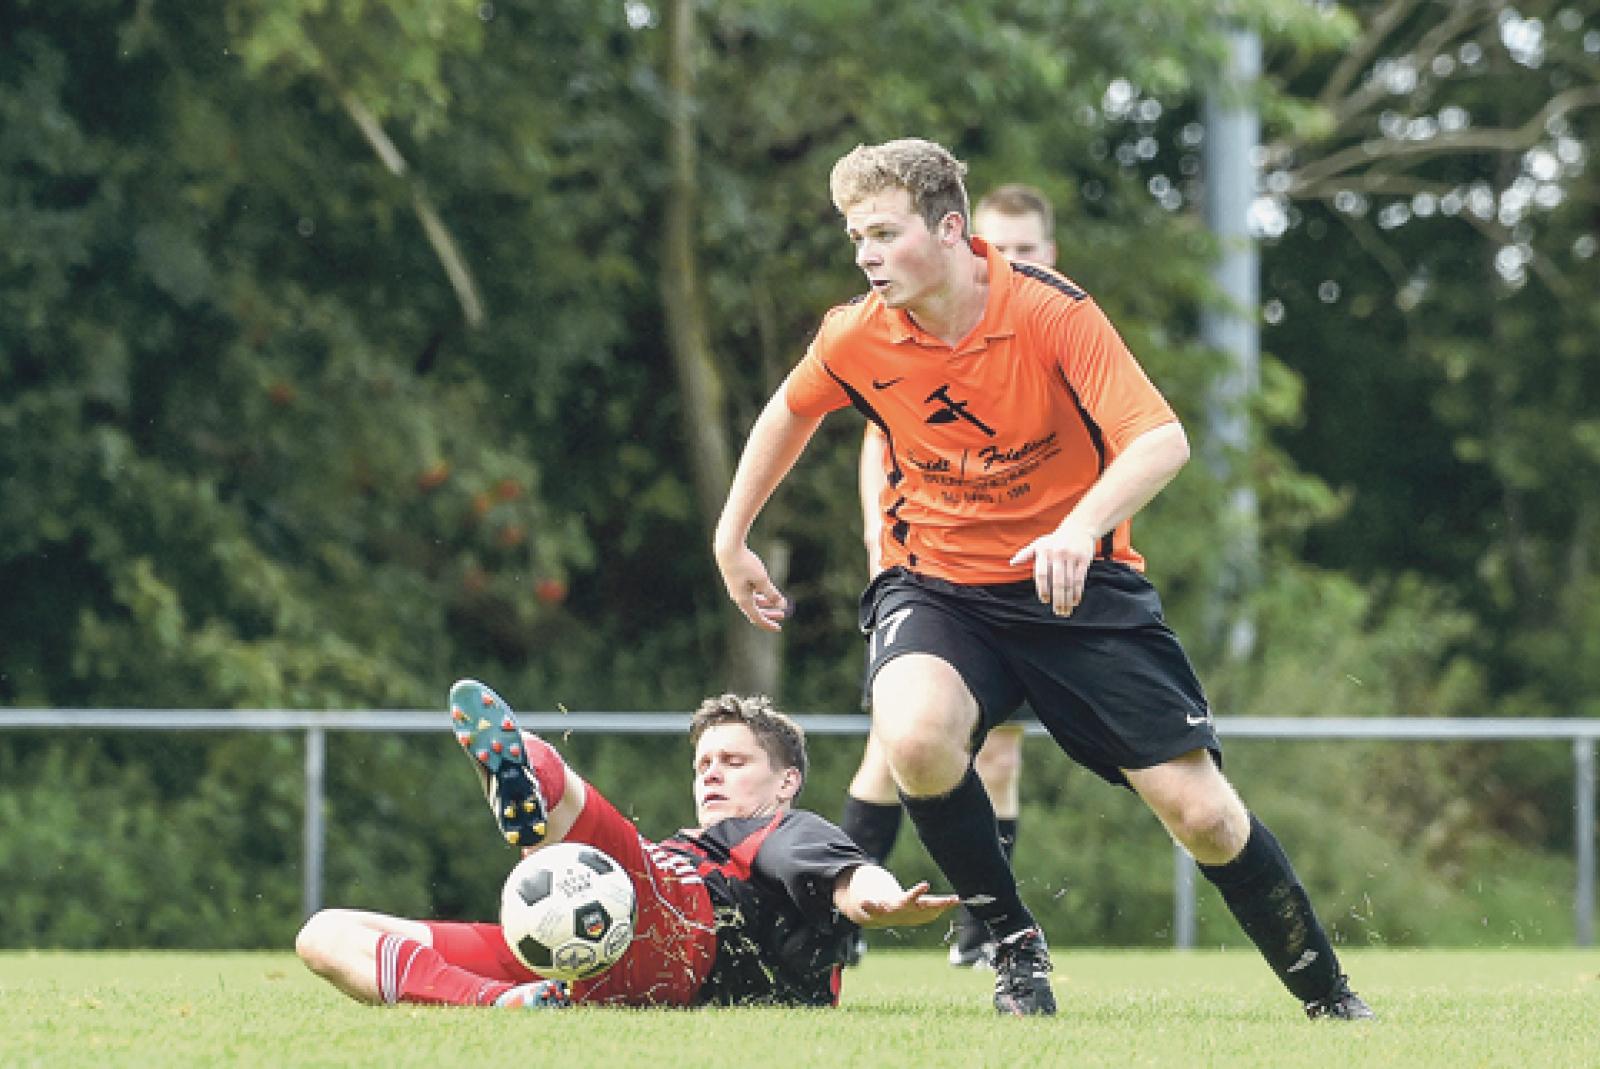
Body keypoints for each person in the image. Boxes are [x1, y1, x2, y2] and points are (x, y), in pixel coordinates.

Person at [711, 137, 1374, 1021]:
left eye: (884, 233)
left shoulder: (1051, 311)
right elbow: (788, 413)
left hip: (1080, 591)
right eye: (856, 237)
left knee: (1203, 816)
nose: (866, 255)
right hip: (938, 586)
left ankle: (1326, 993)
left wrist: (1079, 525)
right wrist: (732, 535)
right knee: (912, 735)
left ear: (950, 230)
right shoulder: (858, 332)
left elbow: (1161, 439)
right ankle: (1013, 944)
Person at [296, 679, 957, 1009]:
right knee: (324, 934)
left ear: (786, 781)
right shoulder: (692, 842)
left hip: (681, 927)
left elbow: (846, 876)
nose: (711, 774)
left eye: (732, 761)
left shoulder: (785, 828)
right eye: (702, 764)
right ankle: (499, 1004)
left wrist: (882, 900)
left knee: (561, 784)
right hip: (582, 947)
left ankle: (527, 784)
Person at [842, 183, 1058, 969]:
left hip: (1028, 583)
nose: (1010, 257)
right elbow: (880, 436)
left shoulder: (1058, 323)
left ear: (1050, 252)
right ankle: (837, 915)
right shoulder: (926, 320)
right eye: (999, 243)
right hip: (934, 573)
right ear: (963, 240)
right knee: (894, 742)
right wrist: (879, 536)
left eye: (1026, 246)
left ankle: (983, 930)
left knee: (999, 757)